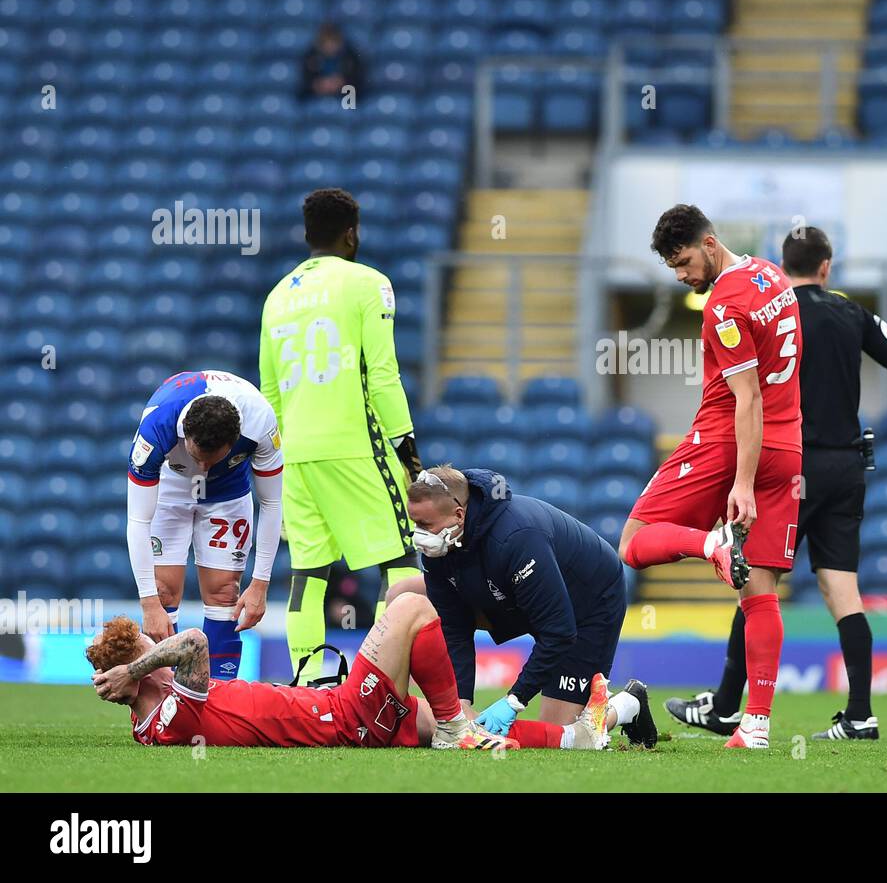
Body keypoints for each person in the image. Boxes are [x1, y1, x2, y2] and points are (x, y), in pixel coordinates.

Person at [667, 226, 887, 740]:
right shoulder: (853, 312)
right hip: (847, 467)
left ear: (784, 267)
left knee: (757, 586)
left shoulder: (774, 307)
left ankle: (724, 707)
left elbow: (748, 392)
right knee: (842, 590)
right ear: (827, 267)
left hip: (790, 465)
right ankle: (859, 714)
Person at [617, 204, 804, 750]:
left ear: (710, 242)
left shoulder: (723, 303)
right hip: (788, 447)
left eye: (684, 261)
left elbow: (746, 397)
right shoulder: (772, 274)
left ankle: (711, 545)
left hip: (728, 442)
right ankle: (756, 725)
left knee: (632, 542)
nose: (682, 275)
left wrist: (740, 482)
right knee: (760, 593)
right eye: (673, 267)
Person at [259, 188, 424, 683]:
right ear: (351, 233)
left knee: (307, 573)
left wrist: (279, 460)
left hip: (296, 453)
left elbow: (270, 391)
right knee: (399, 558)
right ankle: (380, 683)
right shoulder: (369, 283)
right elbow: (383, 372)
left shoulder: (276, 296)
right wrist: (406, 445)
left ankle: (308, 687)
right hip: (356, 446)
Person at [384, 465, 657, 750]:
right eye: (415, 524)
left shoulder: (516, 537)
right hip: (509, 593)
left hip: (586, 604)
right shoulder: (439, 544)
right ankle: (391, 709)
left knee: (565, 736)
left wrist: (514, 700)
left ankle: (627, 705)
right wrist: (458, 708)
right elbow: (454, 627)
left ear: (458, 515)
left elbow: (559, 631)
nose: (419, 535)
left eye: (425, 525)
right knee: (403, 594)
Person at [87, 592, 525, 751]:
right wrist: (136, 666)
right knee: (410, 603)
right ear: (139, 674)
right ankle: (452, 729)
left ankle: (574, 737)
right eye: (152, 650)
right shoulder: (169, 721)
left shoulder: (149, 721)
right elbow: (194, 643)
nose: (161, 651)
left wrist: (132, 670)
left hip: (337, 709)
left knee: (455, 723)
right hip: (345, 717)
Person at [125, 369, 283, 679]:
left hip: (229, 490)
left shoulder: (261, 423)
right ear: (185, 433)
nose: (204, 468)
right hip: (171, 484)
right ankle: (170, 700)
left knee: (225, 593)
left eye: (213, 459)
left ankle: (221, 698)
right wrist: (148, 603)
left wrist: (261, 582)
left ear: (235, 439)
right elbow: (138, 520)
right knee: (163, 592)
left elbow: (271, 503)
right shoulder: (156, 430)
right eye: (198, 457)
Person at [299, 22, 365, 101]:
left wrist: (341, 82)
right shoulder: (310, 56)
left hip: (346, 97)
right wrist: (319, 84)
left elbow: (357, 79)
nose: (329, 46)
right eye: (326, 42)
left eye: (333, 41)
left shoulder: (351, 56)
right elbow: (306, 80)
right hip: (316, 97)